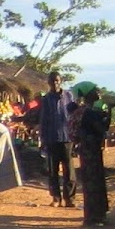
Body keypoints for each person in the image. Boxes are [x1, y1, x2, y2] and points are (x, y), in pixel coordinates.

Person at [72, 82, 112, 226]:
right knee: (94, 182)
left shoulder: (85, 111)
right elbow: (102, 128)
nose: (98, 92)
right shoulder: (89, 113)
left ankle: (95, 215)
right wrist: (110, 110)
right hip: (91, 151)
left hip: (87, 150)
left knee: (91, 182)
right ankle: (94, 217)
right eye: (94, 90)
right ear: (88, 94)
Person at [39, 71, 77, 207]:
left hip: (67, 138)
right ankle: (56, 197)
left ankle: (69, 198)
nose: (55, 83)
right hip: (51, 138)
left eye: (57, 81)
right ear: (48, 83)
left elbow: (74, 116)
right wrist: (42, 139)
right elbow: (43, 120)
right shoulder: (46, 99)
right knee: (52, 170)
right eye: (52, 81)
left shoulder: (69, 96)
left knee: (69, 170)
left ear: (61, 81)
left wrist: (76, 135)